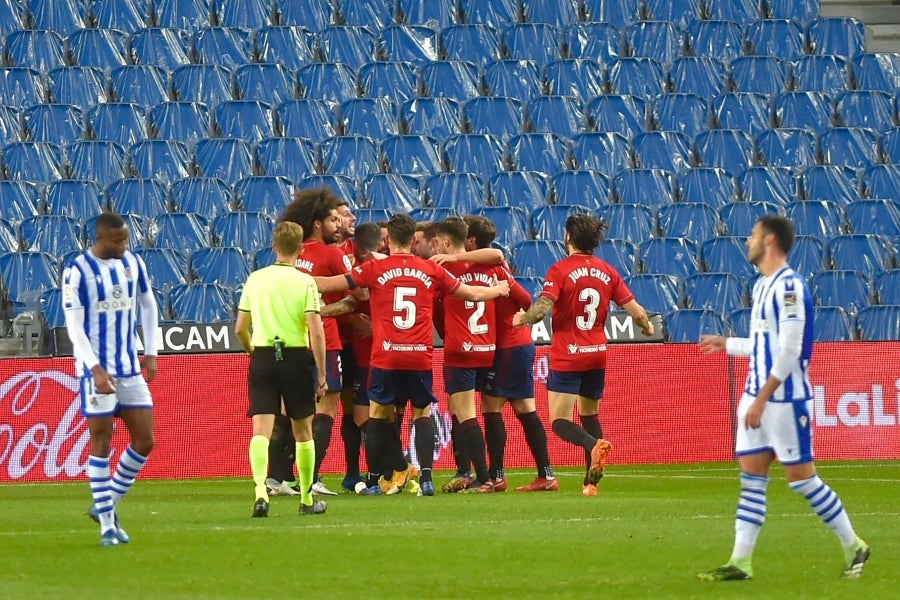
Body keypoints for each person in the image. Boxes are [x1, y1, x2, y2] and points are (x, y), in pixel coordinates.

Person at [697, 215, 869, 581]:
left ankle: (854, 544)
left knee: (802, 480)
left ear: (770, 240)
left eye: (753, 235)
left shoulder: (790, 288)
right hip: (756, 396)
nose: (748, 241)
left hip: (784, 402)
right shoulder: (762, 286)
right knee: (752, 479)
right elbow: (763, 345)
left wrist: (762, 399)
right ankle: (740, 562)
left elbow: (790, 351)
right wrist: (727, 343)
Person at [315, 214, 510, 497]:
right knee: (422, 413)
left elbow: (330, 284)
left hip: (386, 356)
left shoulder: (374, 269)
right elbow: (472, 294)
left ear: (388, 239)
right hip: (419, 355)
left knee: (378, 414)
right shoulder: (430, 269)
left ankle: (372, 480)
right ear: (412, 240)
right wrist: (498, 289)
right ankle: (427, 479)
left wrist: (293, 276)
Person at [513, 214, 654, 496]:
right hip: (597, 354)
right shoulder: (608, 271)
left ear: (568, 237)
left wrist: (522, 318)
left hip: (569, 355)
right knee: (590, 413)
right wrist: (647, 326)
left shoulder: (560, 270)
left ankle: (593, 446)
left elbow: (542, 309)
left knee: (559, 421)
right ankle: (590, 484)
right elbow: (637, 311)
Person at [63, 212, 159, 546]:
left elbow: (149, 305)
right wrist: (95, 368)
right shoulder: (77, 271)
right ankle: (107, 525)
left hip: (129, 366)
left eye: (126, 239)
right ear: (101, 239)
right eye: (118, 240)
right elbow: (74, 326)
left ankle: (107, 504)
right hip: (96, 372)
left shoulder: (132, 263)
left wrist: (151, 351)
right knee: (101, 440)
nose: (124, 245)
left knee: (145, 439)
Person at [235, 220, 328, 518]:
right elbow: (316, 331)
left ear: (273, 246)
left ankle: (261, 493)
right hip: (295, 357)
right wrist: (322, 373)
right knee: (303, 430)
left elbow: (240, 328)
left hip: (262, 355)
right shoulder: (305, 282)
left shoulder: (255, 279)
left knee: (260, 430)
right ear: (300, 250)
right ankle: (306, 499)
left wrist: (253, 352)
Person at [459, 215, 558, 493]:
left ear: (471, 241)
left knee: (491, 406)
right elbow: (524, 297)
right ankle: (546, 474)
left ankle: (497, 474)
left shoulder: (489, 267)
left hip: (507, 345)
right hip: (521, 344)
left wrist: (518, 318)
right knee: (525, 407)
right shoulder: (496, 267)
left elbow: (526, 299)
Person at [430, 217, 522, 493]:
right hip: (487, 348)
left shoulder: (444, 271)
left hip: (461, 349)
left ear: (446, 242)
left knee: (464, 413)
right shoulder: (486, 265)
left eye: (437, 242)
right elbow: (497, 254)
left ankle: (484, 477)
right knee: (482, 411)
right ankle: (488, 472)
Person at [279, 188, 355, 496]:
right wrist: (326, 310)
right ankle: (312, 478)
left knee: (291, 410)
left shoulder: (290, 253)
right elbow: (357, 295)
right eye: (332, 220)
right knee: (327, 407)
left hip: (289, 341)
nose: (338, 225)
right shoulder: (332, 255)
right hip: (325, 340)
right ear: (317, 224)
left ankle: (279, 477)